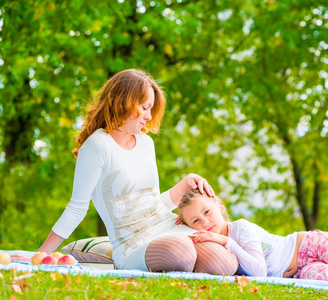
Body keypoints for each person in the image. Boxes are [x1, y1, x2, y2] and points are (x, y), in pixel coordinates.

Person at [11, 69, 237, 275]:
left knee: (224, 263)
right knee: (181, 252)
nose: (149, 116)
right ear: (124, 102)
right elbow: (77, 208)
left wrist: (185, 184)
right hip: (133, 243)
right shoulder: (97, 146)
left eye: (151, 109)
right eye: (145, 107)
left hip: (166, 226)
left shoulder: (146, 143)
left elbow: (151, 205)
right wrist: (39, 255)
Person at [177, 189, 328, 294]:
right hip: (298, 273)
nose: (204, 223)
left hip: (310, 244)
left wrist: (225, 241)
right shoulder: (214, 246)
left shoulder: (240, 229)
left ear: (219, 205)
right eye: (195, 221)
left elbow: (259, 272)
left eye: (207, 212)